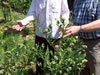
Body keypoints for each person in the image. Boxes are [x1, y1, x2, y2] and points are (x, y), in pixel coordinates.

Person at [13, 0, 69, 74]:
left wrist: (63, 23)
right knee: (39, 59)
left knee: (55, 60)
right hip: (40, 34)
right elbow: (32, 13)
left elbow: (65, 12)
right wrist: (24, 22)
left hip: (55, 34)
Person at [62, 0, 100, 75]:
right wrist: (67, 27)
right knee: (80, 71)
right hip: (78, 43)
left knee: (96, 71)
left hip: (94, 45)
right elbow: (75, 21)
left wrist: (80, 28)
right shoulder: (77, 1)